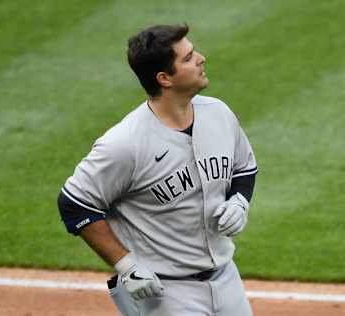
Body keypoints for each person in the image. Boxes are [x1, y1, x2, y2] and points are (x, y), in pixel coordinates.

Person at [57, 23, 258, 315]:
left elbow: (244, 168)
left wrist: (239, 201)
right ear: (164, 78)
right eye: (188, 58)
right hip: (166, 293)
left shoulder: (219, 114)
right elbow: (74, 204)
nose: (201, 58)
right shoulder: (125, 144)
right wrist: (126, 266)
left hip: (227, 279)